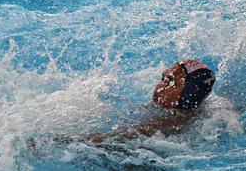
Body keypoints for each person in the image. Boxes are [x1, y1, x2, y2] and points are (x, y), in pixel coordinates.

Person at [71, 59, 216, 144]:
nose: (158, 87)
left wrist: (70, 140)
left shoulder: (167, 124)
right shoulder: (208, 112)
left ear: (189, 91)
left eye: (168, 82)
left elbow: (117, 139)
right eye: (162, 79)